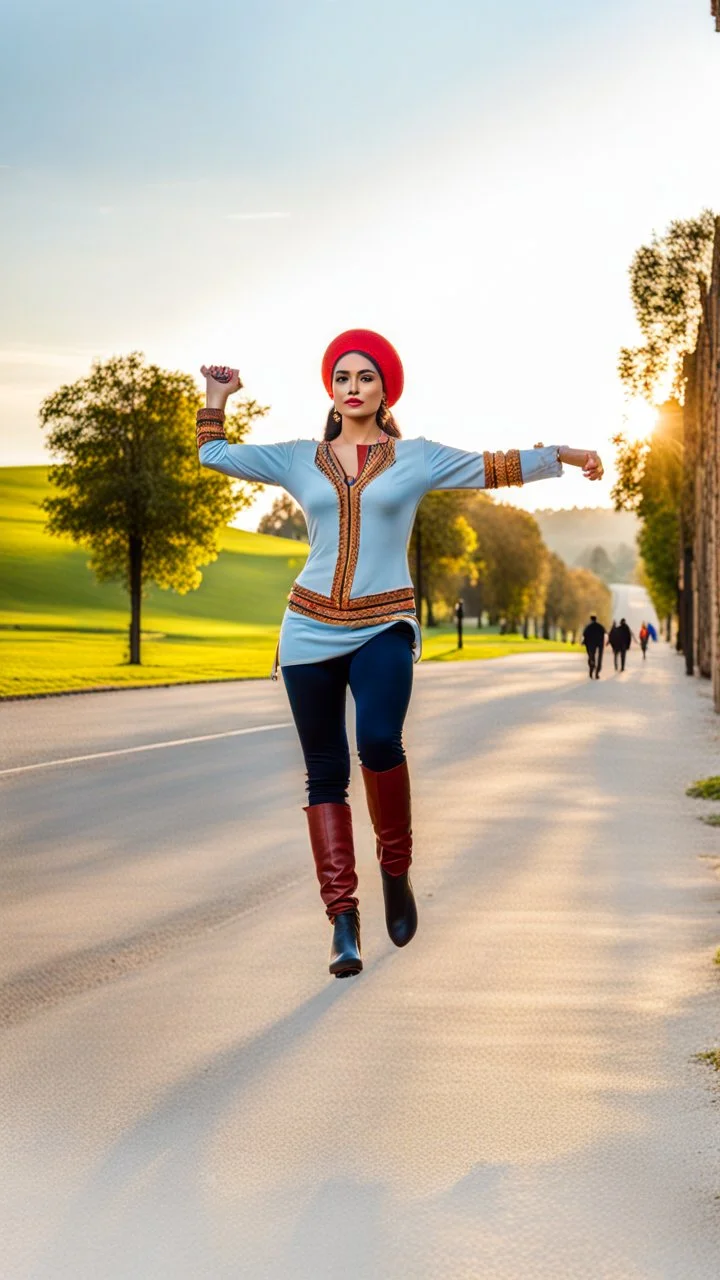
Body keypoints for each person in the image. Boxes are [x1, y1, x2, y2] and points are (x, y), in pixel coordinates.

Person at [197, 331, 604, 978]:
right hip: (307, 628)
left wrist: (563, 455)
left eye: (365, 377)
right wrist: (217, 396)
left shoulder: (417, 458)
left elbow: (492, 465)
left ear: (386, 390)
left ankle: (396, 869)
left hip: (384, 622)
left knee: (381, 742)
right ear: (332, 391)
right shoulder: (300, 459)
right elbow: (214, 454)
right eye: (342, 378)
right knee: (324, 773)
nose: (352, 386)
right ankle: (342, 920)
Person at [582, 614, 606, 679]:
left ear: (591, 619)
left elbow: (584, 635)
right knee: (599, 658)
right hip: (600, 643)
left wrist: (584, 642)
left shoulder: (588, 627)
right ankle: (597, 672)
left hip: (591, 644)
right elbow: (605, 632)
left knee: (591, 657)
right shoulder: (600, 626)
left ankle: (591, 669)